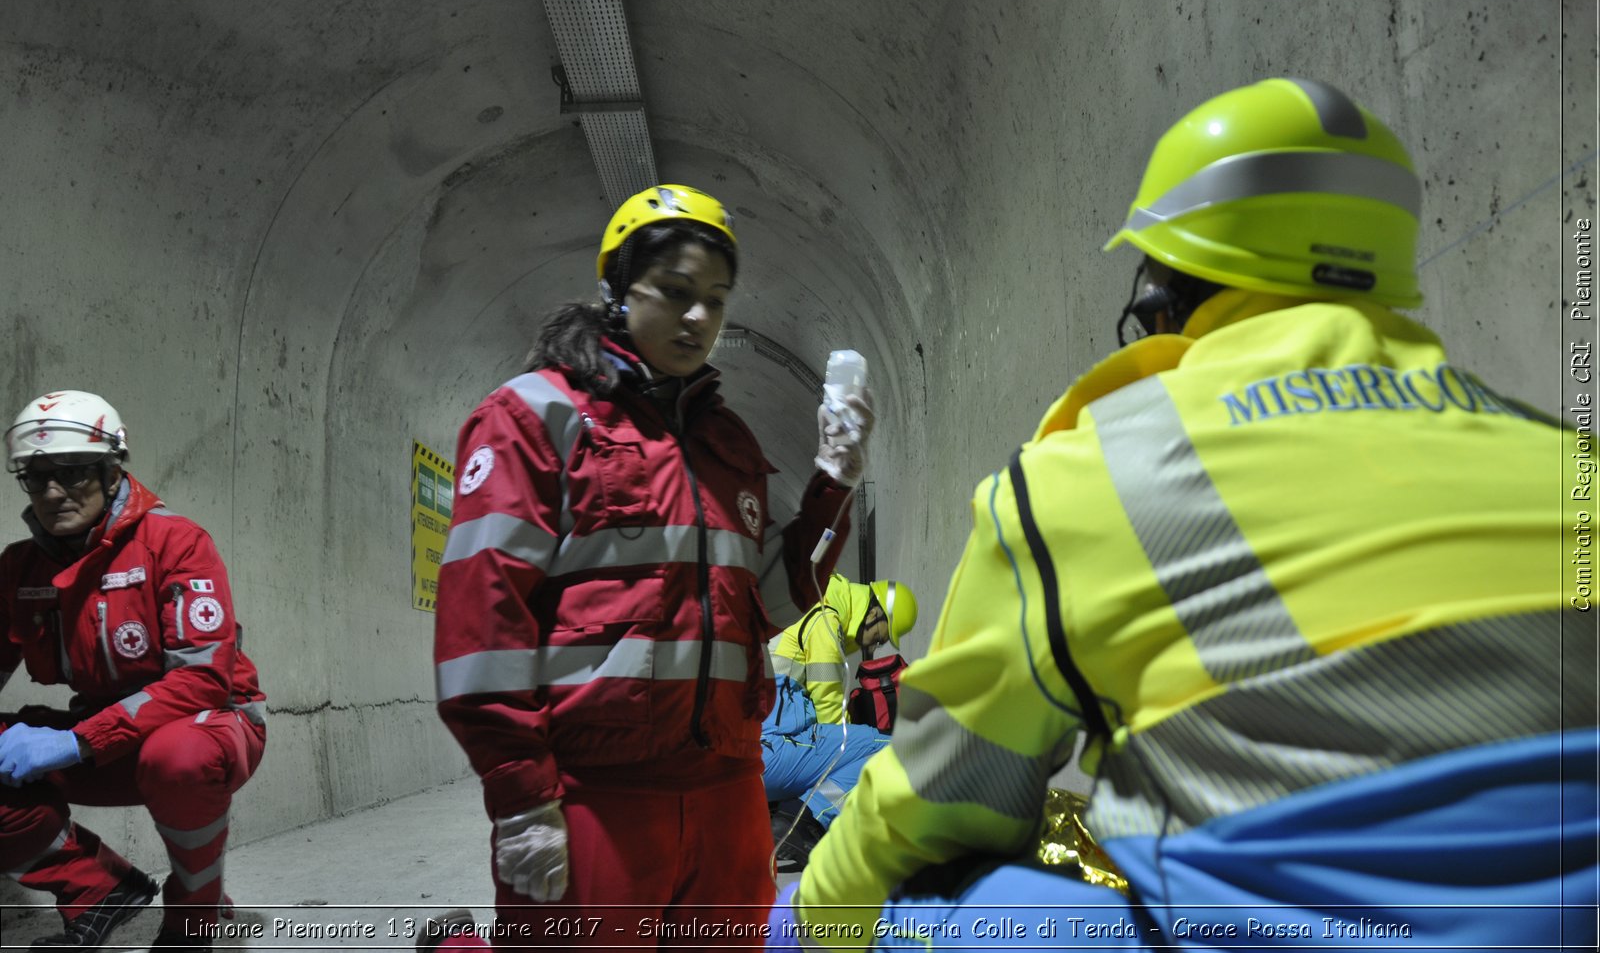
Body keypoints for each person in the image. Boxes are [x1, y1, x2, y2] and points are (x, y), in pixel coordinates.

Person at [769, 78, 1597, 951]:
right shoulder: (1561, 457)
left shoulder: (1087, 479)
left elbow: (940, 794)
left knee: (908, 895)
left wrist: (815, 920)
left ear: (1168, 284)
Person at [429, 183, 871, 950]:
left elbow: (762, 606)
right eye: (674, 292)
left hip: (726, 788)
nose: (698, 316)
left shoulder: (727, 443)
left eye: (716, 298)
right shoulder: (535, 417)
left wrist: (833, 480)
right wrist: (521, 796)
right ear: (615, 290)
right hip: (595, 789)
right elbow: (483, 624)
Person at [0, 390, 267, 952]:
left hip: (211, 726)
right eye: (36, 476)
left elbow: (201, 681)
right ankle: (95, 887)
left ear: (112, 468)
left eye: (72, 474)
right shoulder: (19, 569)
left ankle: (194, 914)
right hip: (101, 736)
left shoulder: (176, 542)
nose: (52, 493)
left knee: (177, 756)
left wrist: (75, 742)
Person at [764, 576, 916, 848]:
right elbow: (829, 707)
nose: (875, 645)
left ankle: (792, 813)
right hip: (770, 744)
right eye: (880, 635)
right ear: (873, 613)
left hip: (757, 738)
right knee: (888, 748)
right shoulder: (825, 620)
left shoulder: (811, 599)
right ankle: (805, 819)